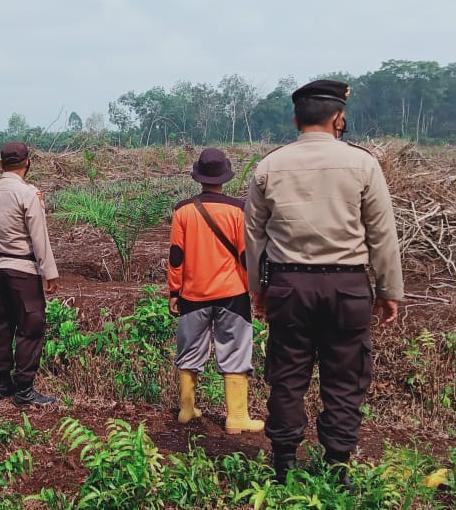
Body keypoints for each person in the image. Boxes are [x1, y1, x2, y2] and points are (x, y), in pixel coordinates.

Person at [244, 80, 404, 484]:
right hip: (347, 287)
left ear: (296, 119)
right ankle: (338, 467)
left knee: (287, 377)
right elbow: (381, 234)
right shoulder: (363, 164)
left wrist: (257, 290)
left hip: (288, 286)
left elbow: (254, 237)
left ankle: (284, 466)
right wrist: (388, 291)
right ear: (338, 118)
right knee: (345, 378)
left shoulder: (269, 166)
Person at [168, 148, 264, 434]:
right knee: (234, 351)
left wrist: (174, 291)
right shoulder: (238, 210)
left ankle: (187, 410)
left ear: (199, 176)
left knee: (189, 351)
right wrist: (254, 289)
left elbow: (176, 256)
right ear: (225, 176)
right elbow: (248, 255)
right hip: (232, 294)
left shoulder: (183, 210)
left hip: (192, 294)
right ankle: (236, 418)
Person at [0, 141, 59, 406]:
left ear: (1, 163)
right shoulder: (28, 193)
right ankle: (24, 390)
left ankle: (3, 382)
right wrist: (49, 271)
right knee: (30, 327)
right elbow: (39, 236)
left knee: (3, 324)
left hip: (0, 266)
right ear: (27, 162)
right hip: (23, 269)